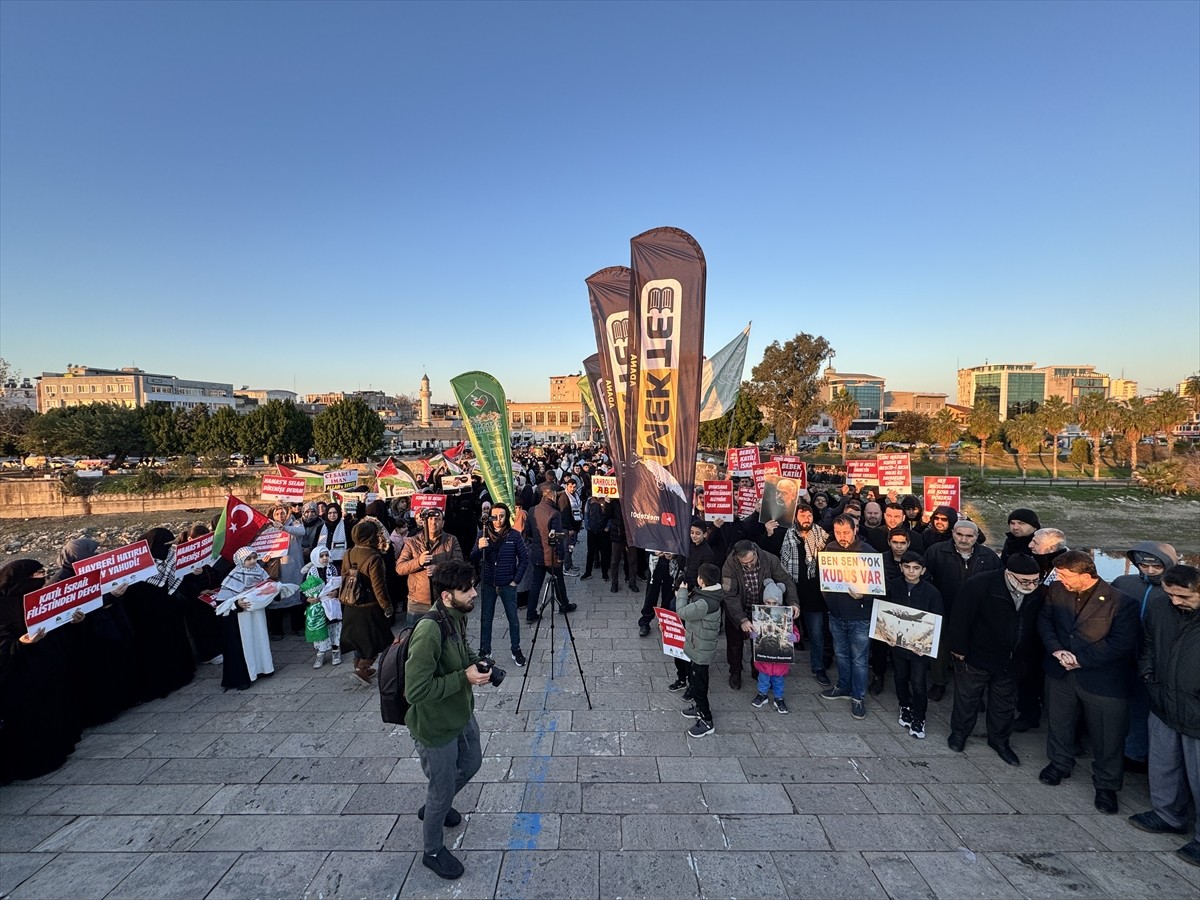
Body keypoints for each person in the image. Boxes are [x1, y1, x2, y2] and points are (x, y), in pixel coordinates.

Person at [405, 559, 491, 881]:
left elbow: (463, 650)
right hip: (435, 726)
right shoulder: (428, 631)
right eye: (466, 589)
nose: (474, 593)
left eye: (473, 586)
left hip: (460, 714)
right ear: (445, 596)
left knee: (471, 762)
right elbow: (415, 690)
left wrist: (479, 664)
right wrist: (463, 678)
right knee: (441, 791)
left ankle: (436, 805)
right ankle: (432, 850)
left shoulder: (456, 616)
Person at [1038, 550, 1138, 815]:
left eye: (1065, 575)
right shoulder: (1056, 591)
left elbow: (1121, 642)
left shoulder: (1121, 602)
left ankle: (1106, 785)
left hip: (1102, 680)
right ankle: (1059, 763)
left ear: (1085, 575)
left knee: (1108, 736)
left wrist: (1081, 659)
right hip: (1061, 672)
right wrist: (1057, 650)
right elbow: (1045, 622)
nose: (1060, 579)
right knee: (1059, 722)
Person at [1127, 564, 1200, 868]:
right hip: (1163, 702)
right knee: (1163, 763)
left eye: (1182, 596)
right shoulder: (1159, 605)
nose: (1174, 601)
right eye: (1169, 593)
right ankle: (1167, 815)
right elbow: (1145, 643)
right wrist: (1147, 673)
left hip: (1196, 710)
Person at [945, 553, 1044, 762]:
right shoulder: (980, 585)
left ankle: (999, 740)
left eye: (1036, 580)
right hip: (978, 655)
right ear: (1009, 575)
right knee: (968, 699)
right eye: (1025, 581)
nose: (1031, 585)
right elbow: (961, 618)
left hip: (1012, 660)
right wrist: (959, 648)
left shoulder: (1037, 592)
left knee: (1004, 704)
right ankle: (959, 733)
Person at [0, 559, 85, 783]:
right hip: (22, 678)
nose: (43, 577)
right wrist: (21, 643)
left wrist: (74, 621)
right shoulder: (4, 608)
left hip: (48, 669)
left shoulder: (43, 598)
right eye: (36, 574)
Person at [1112, 541, 1179, 773]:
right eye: (1143, 565)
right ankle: (1130, 751)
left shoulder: (1177, 590)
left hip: (1159, 662)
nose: (1149, 571)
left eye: (1156, 566)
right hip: (1123, 656)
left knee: (1152, 711)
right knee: (1126, 707)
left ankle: (1148, 758)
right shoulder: (1124, 582)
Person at [923, 519, 1001, 702]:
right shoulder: (936, 551)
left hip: (976, 614)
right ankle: (939, 682)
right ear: (953, 534)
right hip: (944, 607)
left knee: (973, 650)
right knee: (940, 649)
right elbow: (925, 576)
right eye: (960, 534)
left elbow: (996, 584)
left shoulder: (989, 557)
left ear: (976, 537)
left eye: (969, 536)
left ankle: (973, 690)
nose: (963, 539)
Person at [818, 516, 877, 720]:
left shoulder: (868, 552)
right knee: (841, 655)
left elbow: (879, 587)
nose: (842, 537)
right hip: (836, 615)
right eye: (837, 532)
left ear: (855, 530)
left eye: (846, 532)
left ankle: (858, 697)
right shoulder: (830, 549)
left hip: (860, 617)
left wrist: (865, 595)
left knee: (859, 660)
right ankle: (843, 687)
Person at [721, 540, 799, 691]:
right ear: (737, 558)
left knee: (760, 641)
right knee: (735, 644)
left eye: (751, 561)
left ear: (755, 552)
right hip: (738, 608)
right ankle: (735, 671)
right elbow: (729, 594)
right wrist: (741, 618)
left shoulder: (770, 559)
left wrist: (794, 602)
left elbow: (785, 580)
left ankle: (758, 669)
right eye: (745, 563)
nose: (749, 565)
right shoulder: (729, 565)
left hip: (764, 609)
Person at [888, 552, 944, 740]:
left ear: (923, 570)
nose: (911, 571)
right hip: (897, 644)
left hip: (920, 649)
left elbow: (937, 620)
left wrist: (926, 643)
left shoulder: (932, 592)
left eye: (916, 568)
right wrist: (885, 633)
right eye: (907, 567)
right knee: (900, 677)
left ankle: (919, 717)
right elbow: (884, 612)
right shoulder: (893, 586)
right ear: (901, 567)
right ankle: (904, 706)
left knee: (919, 683)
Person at [779, 502, 832, 687]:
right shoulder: (787, 535)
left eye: (809, 516)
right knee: (784, 632)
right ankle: (778, 667)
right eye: (802, 516)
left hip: (815, 595)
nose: (806, 519)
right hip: (792, 591)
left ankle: (818, 668)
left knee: (816, 634)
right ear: (796, 518)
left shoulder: (823, 537)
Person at [470, 503, 529, 667]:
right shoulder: (483, 534)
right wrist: (479, 548)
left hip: (507, 584)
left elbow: (524, 559)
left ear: (507, 516)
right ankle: (485, 650)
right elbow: (473, 558)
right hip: (488, 583)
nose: (497, 520)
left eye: (501, 516)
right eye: (494, 517)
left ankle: (515, 649)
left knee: (513, 619)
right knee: (486, 618)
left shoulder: (514, 535)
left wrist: (515, 580)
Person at [214, 547, 280, 691]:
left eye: (254, 558)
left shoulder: (260, 571)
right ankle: (246, 676)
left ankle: (263, 668)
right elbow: (222, 602)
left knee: (260, 640)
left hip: (257, 614)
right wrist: (237, 604)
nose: (252, 562)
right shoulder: (234, 576)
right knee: (247, 645)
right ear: (240, 561)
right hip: (242, 618)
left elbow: (268, 586)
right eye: (248, 559)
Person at [340, 519, 396, 684]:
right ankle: (362, 669)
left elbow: (343, 577)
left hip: (351, 604)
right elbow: (379, 587)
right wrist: (387, 607)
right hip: (369, 607)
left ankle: (358, 665)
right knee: (377, 640)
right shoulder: (374, 557)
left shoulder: (348, 553)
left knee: (359, 639)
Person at [676, 563, 724, 738]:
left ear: (701, 580)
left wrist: (681, 593)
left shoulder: (705, 602)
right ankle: (698, 706)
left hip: (701, 650)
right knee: (696, 682)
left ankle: (706, 719)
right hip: (699, 645)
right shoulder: (711, 595)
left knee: (699, 685)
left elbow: (682, 611)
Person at [396, 507, 464, 626]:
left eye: (437, 519)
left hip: (444, 598)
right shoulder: (412, 541)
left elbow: (458, 564)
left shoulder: (451, 540)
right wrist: (418, 561)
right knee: (416, 638)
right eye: (430, 519)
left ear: (443, 523)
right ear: (424, 521)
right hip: (418, 601)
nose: (433, 522)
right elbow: (400, 568)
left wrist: (438, 568)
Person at [525, 481, 577, 617]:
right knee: (559, 580)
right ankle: (564, 604)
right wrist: (561, 555)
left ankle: (531, 612)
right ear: (552, 495)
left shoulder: (532, 510)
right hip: (552, 555)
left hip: (537, 554)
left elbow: (528, 532)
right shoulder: (554, 513)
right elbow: (558, 538)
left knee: (536, 584)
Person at [750, 580, 799, 715]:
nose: (771, 605)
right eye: (768, 603)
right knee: (763, 678)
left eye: (774, 603)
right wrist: (753, 634)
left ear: (780, 603)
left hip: (780, 660)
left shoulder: (786, 617)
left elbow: (794, 630)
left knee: (778, 680)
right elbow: (755, 632)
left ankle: (779, 698)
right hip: (764, 658)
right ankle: (762, 694)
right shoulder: (760, 617)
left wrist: (794, 637)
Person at [579, 494, 610, 581]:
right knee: (590, 553)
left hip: (602, 531)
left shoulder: (606, 500)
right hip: (592, 531)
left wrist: (608, 526)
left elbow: (610, 515)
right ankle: (588, 572)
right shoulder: (590, 500)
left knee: (604, 553)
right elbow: (586, 514)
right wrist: (588, 527)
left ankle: (605, 573)